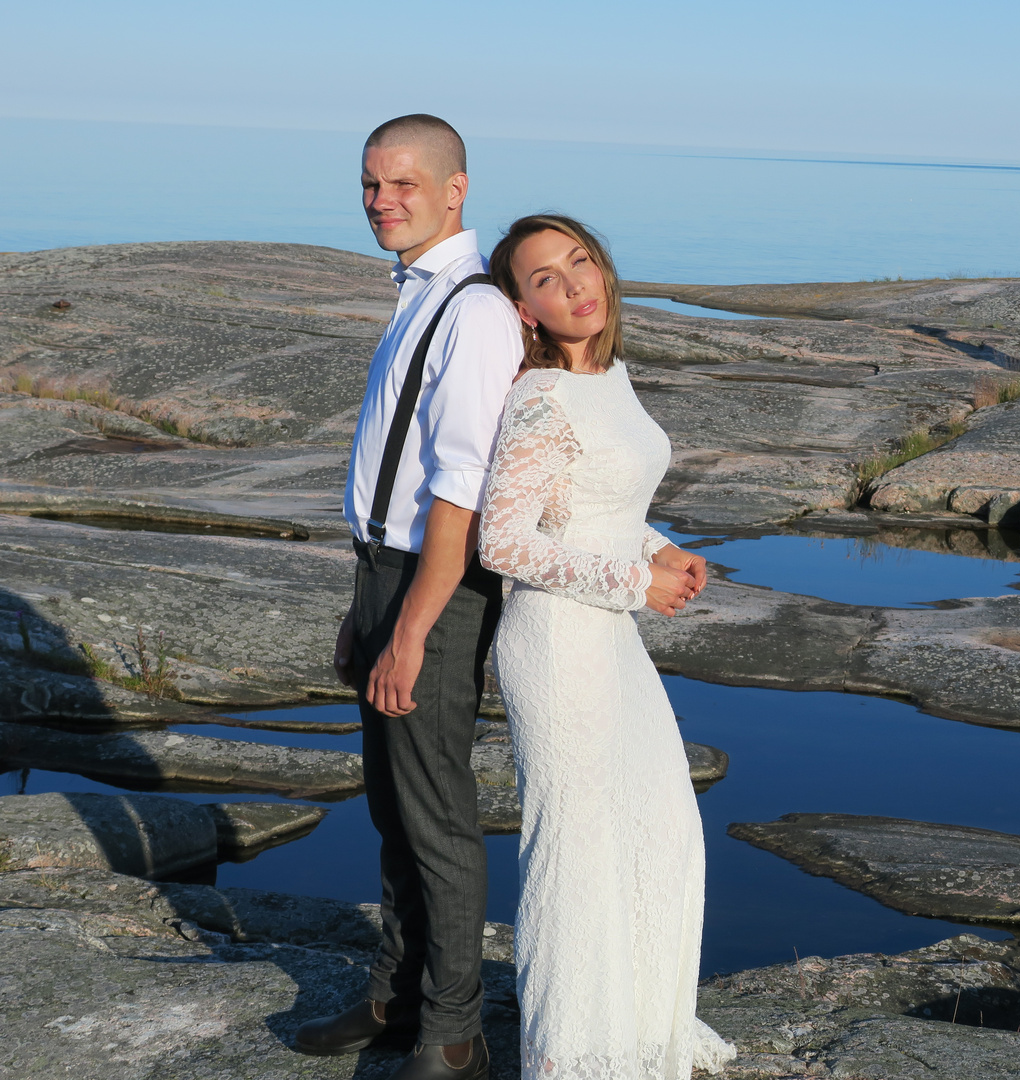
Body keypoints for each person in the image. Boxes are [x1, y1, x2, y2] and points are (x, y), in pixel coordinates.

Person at [477, 213, 736, 1079]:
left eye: (579, 262)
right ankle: (575, 1056)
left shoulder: (609, 376)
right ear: (524, 307)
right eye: (546, 278)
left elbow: (591, 500)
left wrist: (655, 545)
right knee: (579, 851)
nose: (574, 285)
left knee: (660, 828)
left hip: (608, 637)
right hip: (558, 644)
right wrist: (635, 583)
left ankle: (642, 1031)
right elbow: (503, 544)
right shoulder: (540, 397)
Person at [295, 114, 522, 1080]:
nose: (381, 201)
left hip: (437, 585)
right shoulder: (415, 295)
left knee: (436, 817)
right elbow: (397, 472)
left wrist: (413, 628)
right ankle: (396, 996)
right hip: (383, 575)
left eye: (403, 185)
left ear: (456, 189)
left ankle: (454, 1033)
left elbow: (460, 491)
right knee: (393, 808)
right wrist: (365, 607)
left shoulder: (473, 311)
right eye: (370, 185)